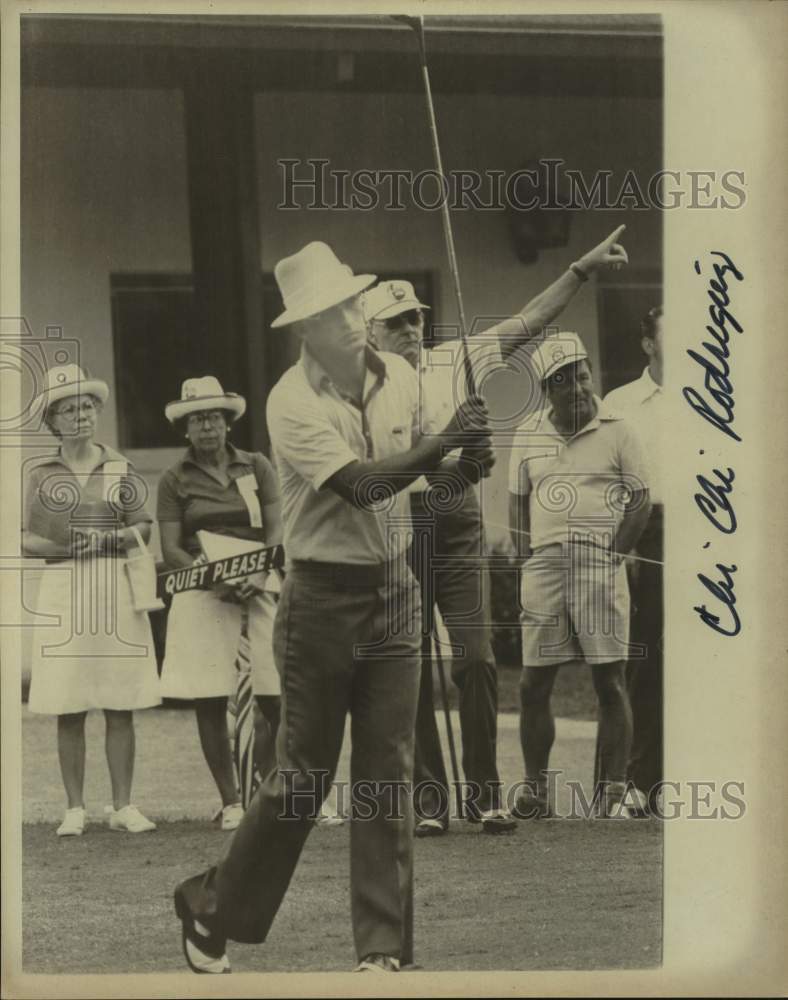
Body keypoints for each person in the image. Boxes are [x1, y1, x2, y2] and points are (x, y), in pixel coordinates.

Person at [173, 241, 494, 974]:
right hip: (319, 599)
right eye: (330, 312)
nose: (351, 318)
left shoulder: (405, 378)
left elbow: (423, 480)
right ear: (304, 330)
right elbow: (365, 486)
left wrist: (464, 466)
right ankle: (209, 907)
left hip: (394, 591)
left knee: (388, 771)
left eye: (351, 303)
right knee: (301, 780)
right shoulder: (291, 402)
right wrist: (445, 445)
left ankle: (382, 955)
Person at [363, 226, 630, 836]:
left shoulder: (456, 356)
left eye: (415, 318)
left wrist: (581, 270)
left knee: (476, 660)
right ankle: (430, 801)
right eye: (396, 323)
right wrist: (453, 457)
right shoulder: (362, 387)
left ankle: (484, 793)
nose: (410, 330)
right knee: (409, 665)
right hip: (395, 529)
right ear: (371, 332)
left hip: (454, 524)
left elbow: (532, 318)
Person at [507, 332, 651, 818]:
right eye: (564, 380)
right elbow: (516, 501)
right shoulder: (528, 432)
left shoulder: (618, 428)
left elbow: (640, 501)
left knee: (610, 681)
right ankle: (535, 791)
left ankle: (611, 793)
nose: (577, 387)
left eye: (583, 374)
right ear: (548, 388)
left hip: (599, 562)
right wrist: (527, 553)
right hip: (544, 564)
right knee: (532, 684)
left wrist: (614, 555)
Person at [22, 364, 160, 836]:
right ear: (52, 422)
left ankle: (123, 805)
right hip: (63, 588)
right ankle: (75, 809)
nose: (80, 416)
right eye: (68, 409)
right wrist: (69, 547)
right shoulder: (40, 473)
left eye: (87, 407)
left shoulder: (120, 465)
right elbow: (27, 540)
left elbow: (144, 524)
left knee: (120, 700)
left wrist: (111, 539)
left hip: (114, 586)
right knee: (69, 700)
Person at [157, 377, 282, 831]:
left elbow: (276, 527)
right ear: (185, 429)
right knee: (210, 695)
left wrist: (258, 571)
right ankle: (231, 801)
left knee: (276, 692)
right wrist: (219, 577)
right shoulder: (175, 479)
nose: (206, 426)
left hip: (261, 583)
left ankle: (279, 791)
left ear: (228, 423)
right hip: (203, 590)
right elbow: (171, 547)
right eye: (197, 419)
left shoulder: (257, 466)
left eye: (213, 417)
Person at [603, 306, 664, 812]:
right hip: (646, 529)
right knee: (646, 658)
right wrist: (624, 547)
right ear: (648, 345)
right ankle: (639, 781)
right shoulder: (621, 404)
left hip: (713, 530)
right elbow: (609, 485)